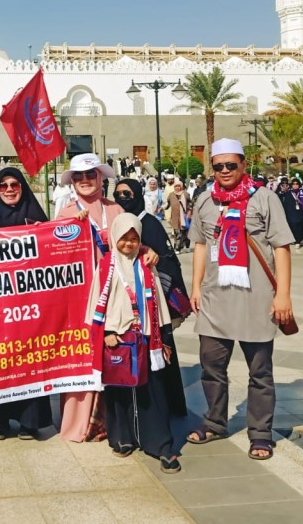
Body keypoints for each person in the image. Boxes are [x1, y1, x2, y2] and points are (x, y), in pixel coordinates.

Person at [187, 138, 294, 461]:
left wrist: (283, 295)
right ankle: (215, 421)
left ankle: (260, 434)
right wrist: (195, 286)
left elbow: (281, 247)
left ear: (244, 165)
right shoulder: (205, 201)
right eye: (218, 166)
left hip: (256, 298)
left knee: (259, 372)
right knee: (211, 366)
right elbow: (201, 246)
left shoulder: (264, 199)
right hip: (215, 298)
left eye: (230, 165)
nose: (224, 171)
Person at [91, 213, 180, 473]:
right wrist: (107, 331)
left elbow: (158, 303)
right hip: (117, 337)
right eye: (123, 239)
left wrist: (162, 335)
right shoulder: (107, 265)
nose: (128, 244)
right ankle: (123, 438)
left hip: (145, 336)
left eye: (134, 239)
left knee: (151, 391)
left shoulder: (145, 264)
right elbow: (99, 299)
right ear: (114, 238)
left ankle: (161, 445)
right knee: (119, 390)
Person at [0, 167, 53, 439]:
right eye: (3, 185)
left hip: (29, 306)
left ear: (22, 187)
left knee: (30, 360)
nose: (8, 189)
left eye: (14, 184)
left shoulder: (36, 218)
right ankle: (0, 420)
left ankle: (30, 422)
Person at [56, 153, 124, 443]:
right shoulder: (66, 213)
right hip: (83, 300)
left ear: (100, 178)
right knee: (83, 358)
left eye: (90, 175)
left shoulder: (116, 209)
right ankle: (82, 423)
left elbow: (130, 243)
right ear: (72, 182)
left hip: (117, 295)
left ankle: (113, 422)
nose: (85, 181)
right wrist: (74, 228)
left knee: (114, 356)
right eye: (79, 177)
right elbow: (55, 256)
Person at [111, 179, 188, 418]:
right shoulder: (120, 222)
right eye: (118, 194)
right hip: (128, 307)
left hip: (153, 304)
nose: (123, 198)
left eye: (127, 193)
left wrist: (159, 300)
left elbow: (167, 262)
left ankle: (168, 406)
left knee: (162, 354)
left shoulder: (149, 223)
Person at [279, 177, 303, 248]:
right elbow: (280, 198)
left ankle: (300, 238)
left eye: (297, 184)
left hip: (301, 213)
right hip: (291, 214)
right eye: (293, 184)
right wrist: (282, 192)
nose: (295, 185)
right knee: (294, 225)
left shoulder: (302, 192)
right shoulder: (288, 193)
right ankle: (297, 241)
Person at [166, 180, 191, 253]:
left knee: (185, 233)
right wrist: (162, 208)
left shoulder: (186, 194)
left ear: (181, 186)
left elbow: (190, 204)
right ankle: (177, 247)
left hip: (184, 216)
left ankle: (185, 245)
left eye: (178, 186)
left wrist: (189, 212)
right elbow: (168, 204)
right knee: (177, 232)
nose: (177, 188)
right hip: (175, 217)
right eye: (176, 186)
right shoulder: (171, 195)